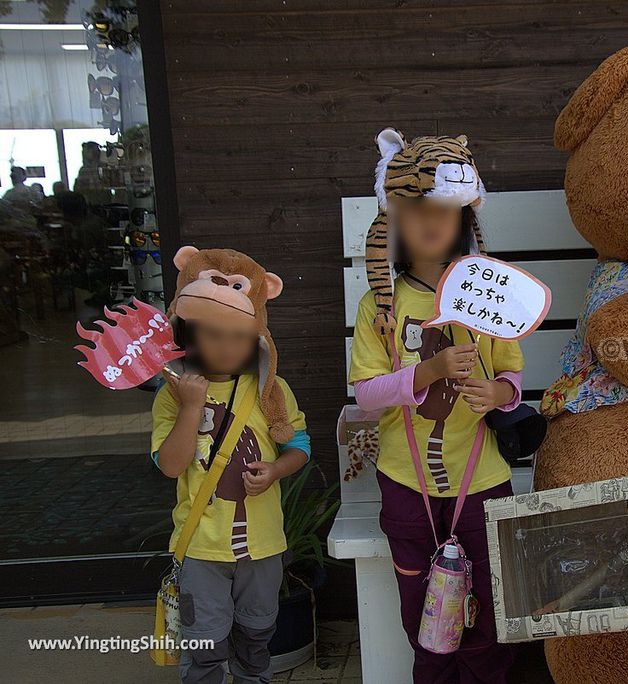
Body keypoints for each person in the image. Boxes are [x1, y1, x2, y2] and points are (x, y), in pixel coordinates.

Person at [348, 132, 523, 683]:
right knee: (422, 616)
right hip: (406, 482)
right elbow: (367, 395)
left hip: (484, 479)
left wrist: (499, 393)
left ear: (465, 218)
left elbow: (513, 375)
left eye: (444, 210)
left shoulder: (486, 293)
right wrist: (427, 372)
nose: (430, 221)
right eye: (415, 209)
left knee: (489, 613)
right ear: (392, 220)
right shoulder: (380, 305)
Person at [150, 249, 311, 684]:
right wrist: (190, 407)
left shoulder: (271, 390)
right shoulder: (172, 394)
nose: (225, 346)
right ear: (186, 332)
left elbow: (299, 445)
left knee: (258, 634)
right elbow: (170, 465)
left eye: (238, 335)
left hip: (263, 544)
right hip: (201, 546)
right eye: (211, 334)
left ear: (257, 335)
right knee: (204, 644)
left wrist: (277, 470)